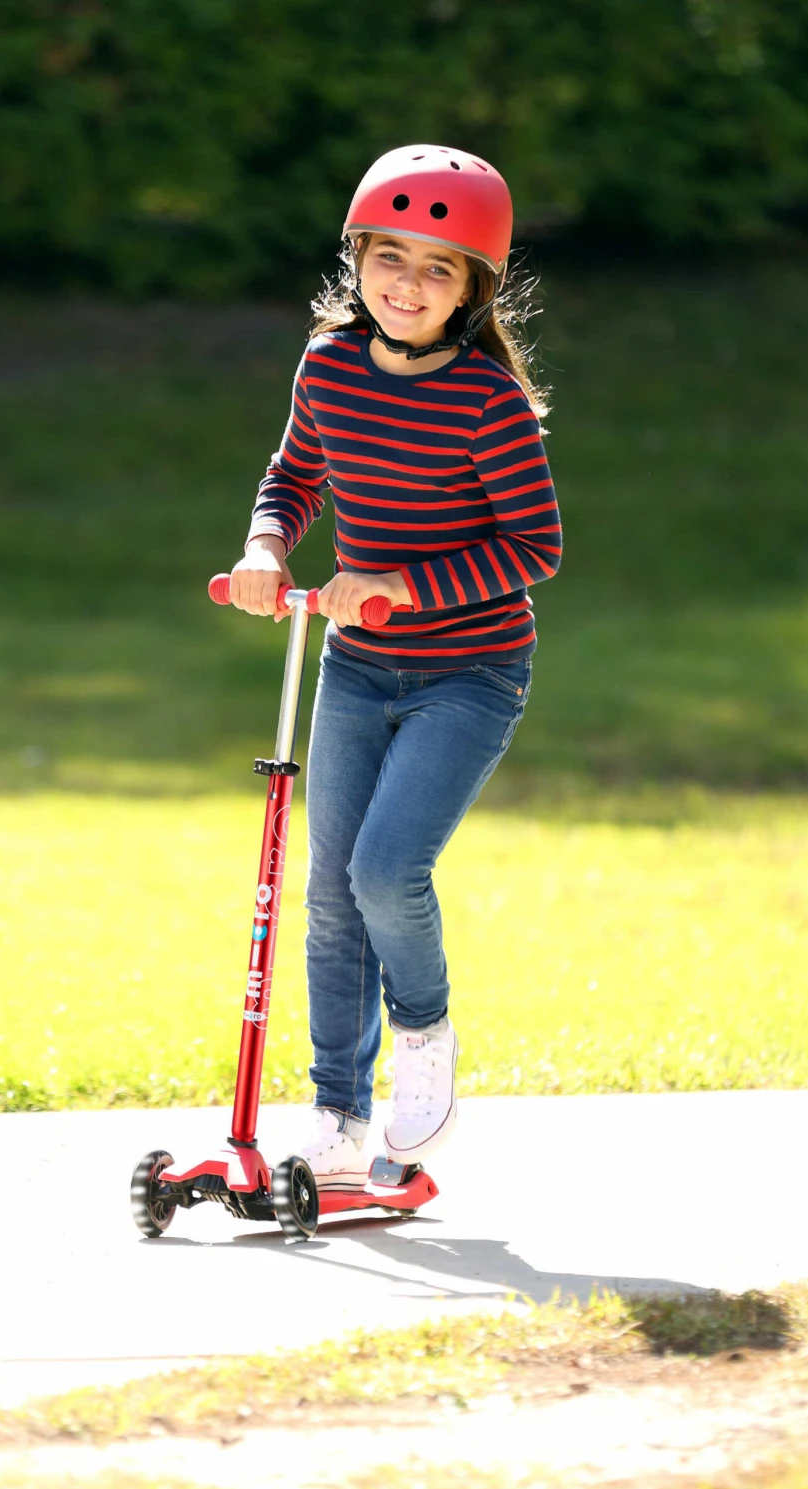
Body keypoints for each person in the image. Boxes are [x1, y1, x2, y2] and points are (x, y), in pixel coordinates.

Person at [226, 144, 561, 1188]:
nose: (406, 285)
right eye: (391, 257)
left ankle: (422, 1040)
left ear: (472, 291)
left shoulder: (485, 401)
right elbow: (293, 476)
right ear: (357, 258)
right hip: (358, 668)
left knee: (384, 870)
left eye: (437, 268)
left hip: (469, 673)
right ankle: (337, 1112)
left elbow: (533, 548)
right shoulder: (327, 366)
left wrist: (399, 587)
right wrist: (265, 550)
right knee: (330, 890)